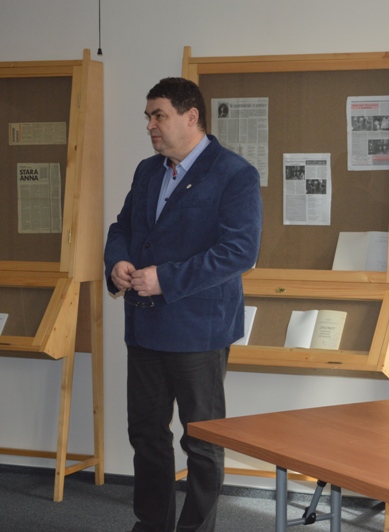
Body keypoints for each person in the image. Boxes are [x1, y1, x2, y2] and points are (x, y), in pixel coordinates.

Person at [104, 77, 263, 532]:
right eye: (148, 117)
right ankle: (152, 525)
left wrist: (165, 279)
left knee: (202, 442)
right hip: (145, 328)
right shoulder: (147, 171)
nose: (150, 126)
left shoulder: (234, 173)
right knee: (146, 436)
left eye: (159, 116)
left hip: (199, 331)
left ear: (191, 117)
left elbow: (239, 252)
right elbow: (122, 227)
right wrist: (118, 261)